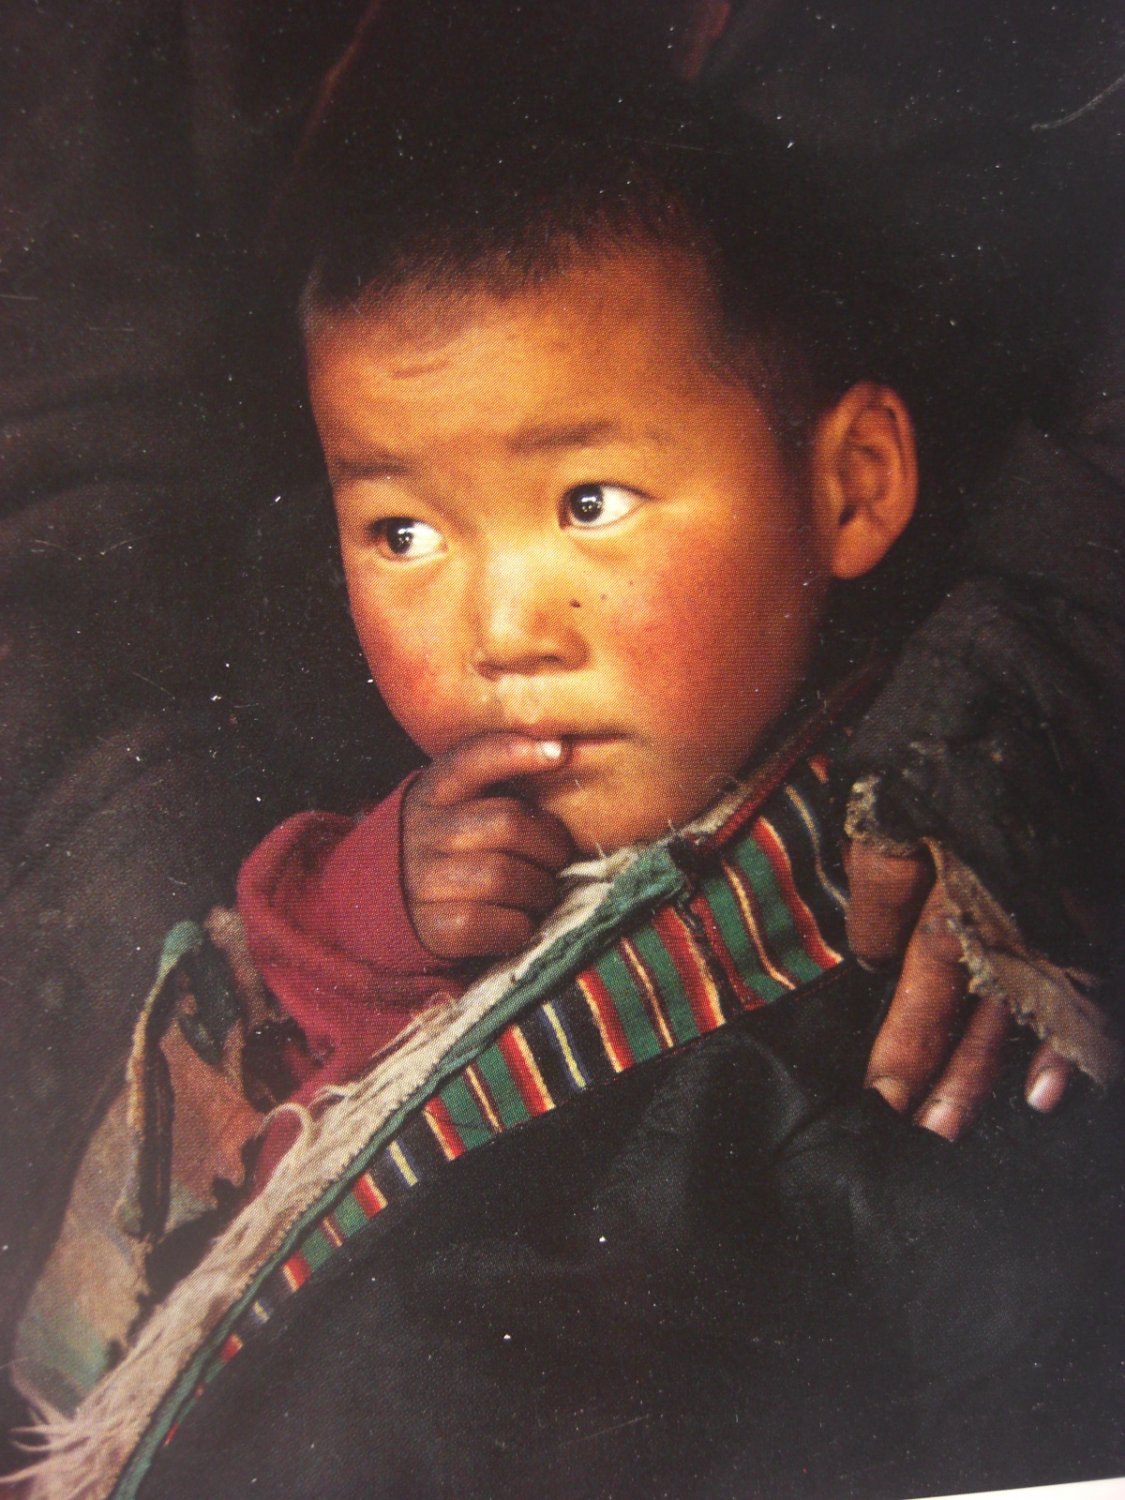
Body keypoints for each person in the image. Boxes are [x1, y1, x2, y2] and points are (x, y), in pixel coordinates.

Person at [16, 83, 1120, 1500]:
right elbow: (263, 1001)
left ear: (852, 487)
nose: (502, 630)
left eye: (589, 504)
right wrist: (380, 902)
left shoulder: (925, 933)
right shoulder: (421, 824)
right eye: (402, 531)